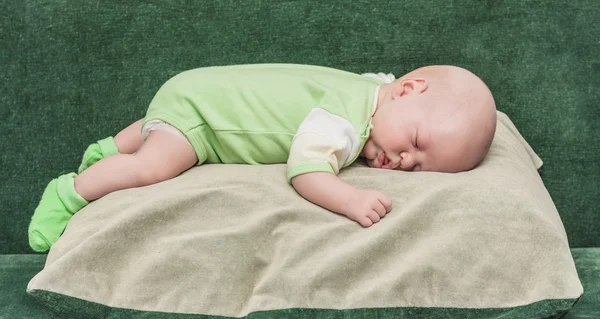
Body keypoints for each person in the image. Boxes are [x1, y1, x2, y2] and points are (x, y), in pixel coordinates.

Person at [28, 63, 497, 252]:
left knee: (157, 125)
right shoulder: (343, 121)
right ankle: (69, 192)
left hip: (194, 87)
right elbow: (306, 171)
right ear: (407, 89)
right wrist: (351, 199)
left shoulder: (372, 85)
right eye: (414, 140)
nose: (404, 158)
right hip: (205, 120)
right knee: (153, 165)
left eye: (420, 164)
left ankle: (108, 149)